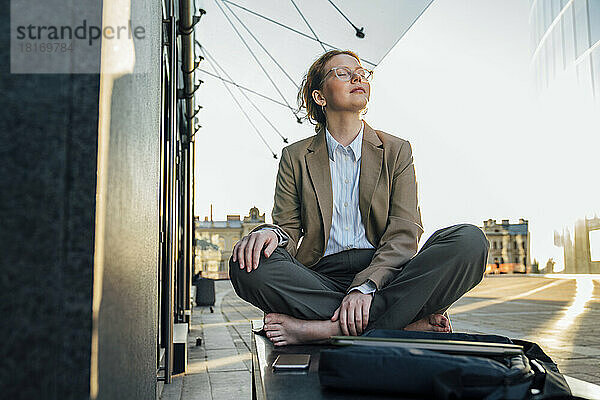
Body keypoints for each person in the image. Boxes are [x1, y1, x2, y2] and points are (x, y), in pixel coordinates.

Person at [229, 50, 489, 347]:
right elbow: (287, 227)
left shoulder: (396, 150)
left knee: (470, 241)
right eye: (342, 73)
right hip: (319, 279)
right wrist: (267, 233)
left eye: (362, 73)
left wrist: (365, 288)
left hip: (387, 276)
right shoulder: (295, 157)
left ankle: (326, 330)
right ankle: (400, 325)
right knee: (246, 265)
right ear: (320, 97)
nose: (357, 77)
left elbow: (404, 232)